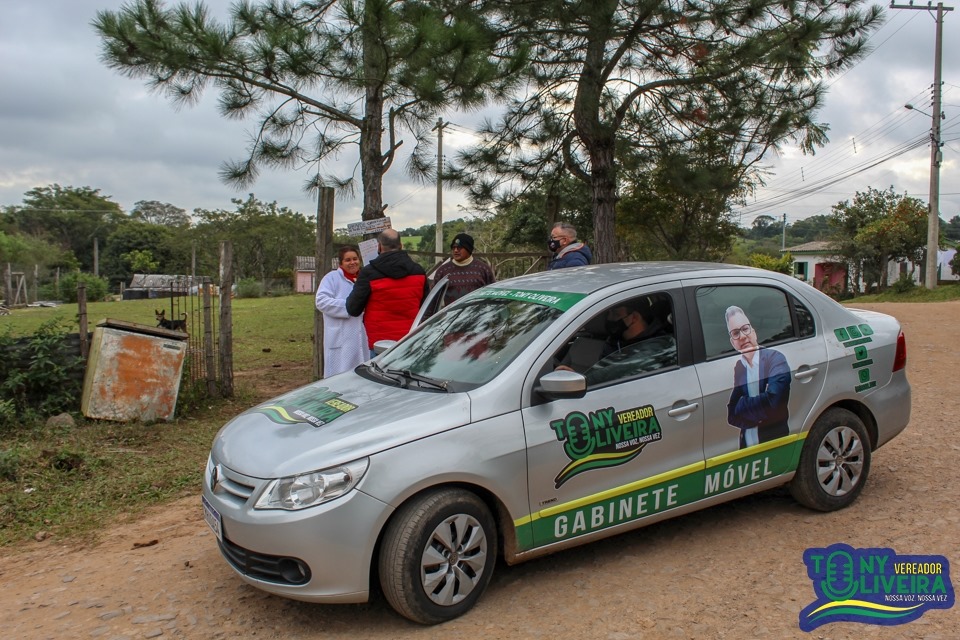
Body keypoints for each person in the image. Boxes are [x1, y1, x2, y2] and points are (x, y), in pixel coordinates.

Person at [346, 228, 429, 354]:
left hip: (380, 344)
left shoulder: (369, 273)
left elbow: (353, 309)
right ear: (401, 245)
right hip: (411, 340)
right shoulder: (419, 271)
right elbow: (427, 307)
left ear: (379, 247)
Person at [725, 305, 792, 449]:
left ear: (753, 332)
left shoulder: (775, 359)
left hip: (773, 445)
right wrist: (758, 415)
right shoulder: (739, 367)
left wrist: (742, 405)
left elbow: (773, 403)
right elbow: (732, 414)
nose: (742, 336)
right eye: (736, 333)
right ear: (733, 342)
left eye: (745, 329)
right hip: (746, 447)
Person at [315, 245, 369, 377]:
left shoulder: (364, 279)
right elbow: (321, 301)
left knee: (361, 373)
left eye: (355, 259)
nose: (352, 263)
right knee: (339, 374)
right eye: (348, 260)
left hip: (361, 333)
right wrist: (349, 307)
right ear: (341, 263)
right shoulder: (331, 278)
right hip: (340, 336)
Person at [431, 233, 495, 306]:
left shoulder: (483, 269)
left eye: (459, 248)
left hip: (478, 315)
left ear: (469, 249)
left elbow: (494, 295)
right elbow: (432, 300)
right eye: (453, 247)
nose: (455, 250)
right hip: (451, 316)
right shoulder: (443, 271)